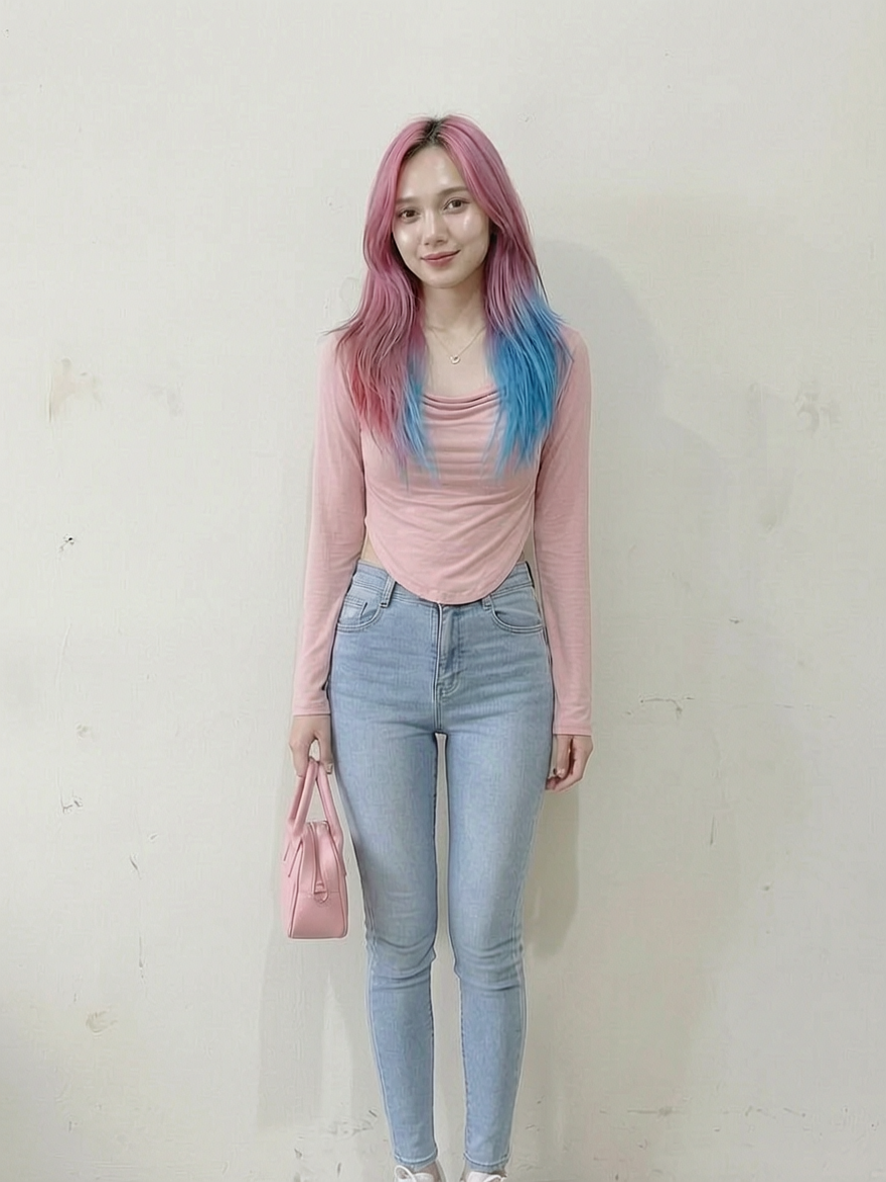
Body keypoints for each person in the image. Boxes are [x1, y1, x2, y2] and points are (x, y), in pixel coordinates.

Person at [288, 113, 593, 1182]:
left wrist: (575, 699)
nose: (433, 230)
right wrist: (307, 692)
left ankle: (487, 1171)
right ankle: (414, 1168)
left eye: (454, 203)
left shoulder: (554, 357)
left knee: (488, 936)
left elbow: (562, 533)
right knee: (400, 937)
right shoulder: (353, 360)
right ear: (388, 230)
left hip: (507, 655)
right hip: (376, 651)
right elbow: (332, 531)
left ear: (493, 212)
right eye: (409, 212)